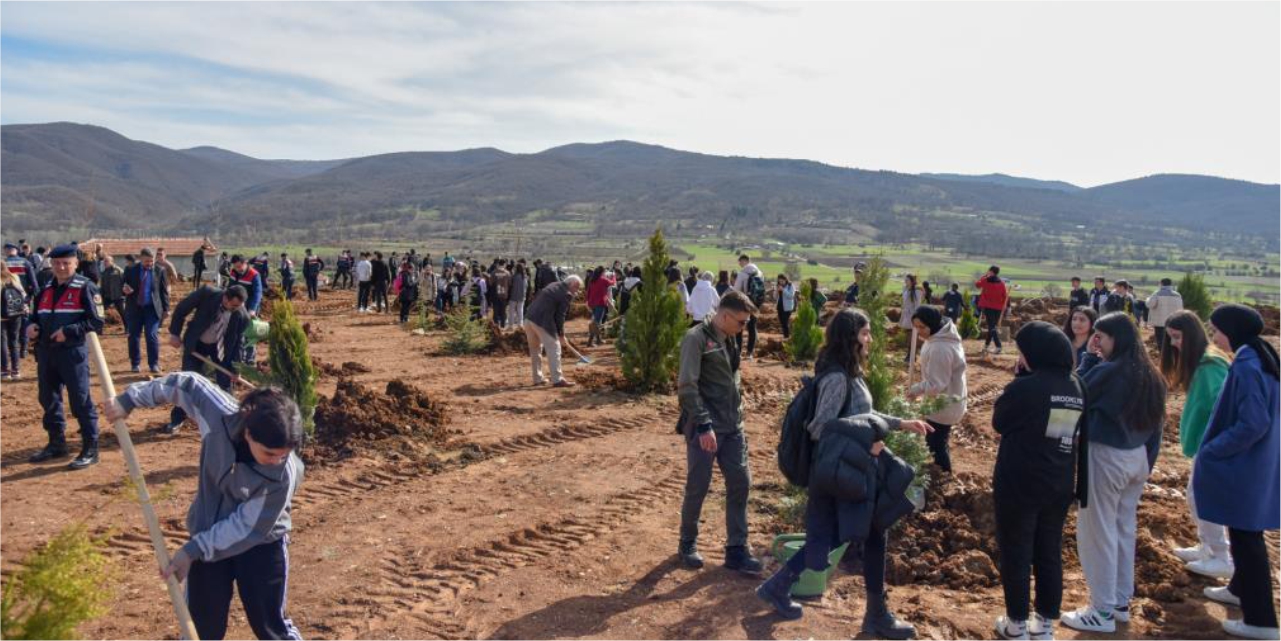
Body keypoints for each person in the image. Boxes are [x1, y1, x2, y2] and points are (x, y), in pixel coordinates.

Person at [754, 307, 932, 637]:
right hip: (841, 473)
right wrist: (866, 443)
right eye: (865, 333)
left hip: (852, 470)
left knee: (843, 534)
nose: (870, 339)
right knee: (863, 531)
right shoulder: (836, 378)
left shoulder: (850, 374)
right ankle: (875, 615)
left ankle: (781, 586)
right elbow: (821, 428)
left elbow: (861, 414)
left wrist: (901, 423)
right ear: (850, 339)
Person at [103, 374, 305, 640]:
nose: (276, 461)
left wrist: (192, 550)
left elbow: (246, 527)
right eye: (269, 453)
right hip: (208, 535)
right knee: (201, 628)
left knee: (270, 626)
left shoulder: (284, 473)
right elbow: (185, 384)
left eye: (283, 454)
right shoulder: (220, 415)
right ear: (248, 432)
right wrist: (129, 400)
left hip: (261, 545)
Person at [1063, 312, 1166, 633]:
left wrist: (1088, 361)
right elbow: (1158, 426)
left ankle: (1102, 610)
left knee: (1097, 532)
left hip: (1107, 456)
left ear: (1115, 339)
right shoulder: (1151, 374)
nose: (1098, 342)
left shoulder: (1110, 371)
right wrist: (1146, 463)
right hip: (1136, 457)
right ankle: (1120, 602)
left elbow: (1077, 391)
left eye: (1101, 337)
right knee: (1123, 529)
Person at [990, 321, 1089, 641]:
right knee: (1048, 550)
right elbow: (1058, 431)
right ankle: (1044, 624)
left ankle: (1016, 623)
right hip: (1059, 481)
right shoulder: (1075, 385)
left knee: (1017, 550)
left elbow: (1000, 421)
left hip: (1020, 482)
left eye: (1022, 352)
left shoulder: (1026, 387)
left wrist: (1020, 379)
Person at [1194, 304, 1280, 640]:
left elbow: (1253, 422)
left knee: (1246, 539)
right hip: (1257, 464)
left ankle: (1261, 621)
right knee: (1246, 533)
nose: (1213, 336)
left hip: (1245, 466)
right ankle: (1240, 589)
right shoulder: (1262, 358)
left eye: (1216, 330)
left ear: (1230, 332)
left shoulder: (1246, 365)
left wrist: (1212, 449)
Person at [677, 291, 766, 576]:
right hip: (707, 427)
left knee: (741, 481)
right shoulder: (696, 339)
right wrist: (703, 424)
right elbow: (687, 386)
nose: (745, 328)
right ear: (725, 316)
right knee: (698, 485)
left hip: (732, 426)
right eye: (741, 322)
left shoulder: (729, 339)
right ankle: (687, 542)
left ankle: (737, 550)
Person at [1157, 310, 1232, 578]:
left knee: (1201, 497)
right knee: (1196, 495)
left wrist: (1214, 445)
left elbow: (1218, 406)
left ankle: (1221, 555)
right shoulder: (1202, 363)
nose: (1174, 344)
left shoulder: (1210, 366)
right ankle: (1207, 548)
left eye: (1177, 338)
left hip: (1211, 445)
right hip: (1205, 443)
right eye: (1171, 338)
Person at [27, 245, 105, 469]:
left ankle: (91, 448)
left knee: (80, 401)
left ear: (75, 263)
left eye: (66, 263)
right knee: (48, 399)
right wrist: (30, 327)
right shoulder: (45, 289)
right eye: (57, 263)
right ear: (51, 264)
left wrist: (69, 331)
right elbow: (34, 317)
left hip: (72, 354)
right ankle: (56, 443)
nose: (61, 267)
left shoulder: (86, 288)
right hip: (45, 353)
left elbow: (97, 322)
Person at [163, 285, 250, 434]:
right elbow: (181, 309)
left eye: (240, 306)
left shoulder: (242, 315)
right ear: (225, 298)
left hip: (221, 349)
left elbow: (237, 343)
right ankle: (177, 418)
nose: (237, 309)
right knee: (188, 381)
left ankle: (229, 422)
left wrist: (236, 369)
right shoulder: (207, 294)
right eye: (234, 305)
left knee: (225, 384)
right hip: (197, 344)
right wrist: (175, 334)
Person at [907, 306, 967, 474]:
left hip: (943, 405)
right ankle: (941, 471)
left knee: (935, 443)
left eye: (922, 327)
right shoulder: (940, 336)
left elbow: (935, 385)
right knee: (938, 440)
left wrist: (915, 389)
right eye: (916, 327)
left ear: (932, 324)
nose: (919, 332)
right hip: (947, 400)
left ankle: (944, 474)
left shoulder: (940, 348)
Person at [523, 275, 583, 387]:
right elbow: (560, 316)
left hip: (529, 317)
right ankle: (557, 379)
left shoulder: (553, 284)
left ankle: (537, 378)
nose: (577, 291)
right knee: (554, 348)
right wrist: (561, 334)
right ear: (572, 284)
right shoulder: (566, 294)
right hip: (542, 321)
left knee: (535, 349)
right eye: (577, 287)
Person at [122, 248, 170, 374]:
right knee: (134, 336)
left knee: (151, 335)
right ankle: (135, 364)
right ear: (140, 258)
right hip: (135, 308)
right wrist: (124, 289)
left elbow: (163, 291)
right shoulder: (130, 270)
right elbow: (122, 284)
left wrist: (166, 309)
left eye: (151, 261)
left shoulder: (160, 270)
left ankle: (153, 364)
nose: (149, 263)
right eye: (147, 261)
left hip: (152, 309)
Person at [732, 255, 764, 360]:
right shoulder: (760, 273)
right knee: (752, 327)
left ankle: (739, 352)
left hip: (745, 303)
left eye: (740, 261)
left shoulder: (742, 274)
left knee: (740, 327)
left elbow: (736, 290)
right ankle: (750, 353)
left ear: (745, 261)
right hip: (756, 303)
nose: (739, 264)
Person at [1, 267, 29, 379]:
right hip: (16, 313)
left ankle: (4, 370)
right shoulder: (14, 277)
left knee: (2, 342)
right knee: (14, 341)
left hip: (1, 315)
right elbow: (23, 294)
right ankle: (16, 370)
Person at [975, 266, 1009, 355]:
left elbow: (977, 285)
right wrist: (1005, 306)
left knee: (991, 327)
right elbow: (1004, 296)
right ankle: (986, 347)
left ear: (990, 271)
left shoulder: (986, 280)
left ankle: (998, 346)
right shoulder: (1001, 283)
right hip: (998, 308)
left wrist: (984, 276)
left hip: (988, 307)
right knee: (992, 327)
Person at [1146, 278, 1183, 349]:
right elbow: (1180, 309)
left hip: (1159, 323)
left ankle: (1163, 357)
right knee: (1172, 341)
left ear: (1161, 284)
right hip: (1173, 322)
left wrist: (1148, 299)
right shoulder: (1177, 295)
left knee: (1161, 341)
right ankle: (1172, 357)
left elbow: (1150, 304)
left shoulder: (1156, 293)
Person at [585, 266, 616, 345]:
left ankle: (598, 340)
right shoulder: (603, 279)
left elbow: (588, 291)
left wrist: (587, 302)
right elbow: (613, 283)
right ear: (602, 272)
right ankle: (590, 341)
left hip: (592, 303)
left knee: (596, 321)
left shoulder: (592, 279)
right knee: (596, 323)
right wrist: (614, 276)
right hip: (600, 303)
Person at [98, 254, 125, 322]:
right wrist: (101, 294)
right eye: (104, 261)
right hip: (107, 296)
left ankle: (127, 328)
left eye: (107, 261)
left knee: (122, 312)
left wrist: (123, 293)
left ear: (112, 261)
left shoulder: (118, 271)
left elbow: (125, 282)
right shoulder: (104, 272)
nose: (105, 263)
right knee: (100, 312)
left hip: (117, 295)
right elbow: (102, 285)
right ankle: (99, 327)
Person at [491, 260, 512, 328]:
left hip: (495, 295)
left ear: (498, 264)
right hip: (504, 295)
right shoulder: (507, 273)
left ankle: (495, 327)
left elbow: (491, 283)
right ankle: (503, 326)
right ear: (504, 264)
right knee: (503, 312)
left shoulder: (494, 272)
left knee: (496, 312)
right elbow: (510, 284)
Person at [776, 274, 796, 339]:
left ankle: (786, 337)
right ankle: (786, 336)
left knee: (785, 322)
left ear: (785, 279)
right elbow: (774, 297)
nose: (781, 282)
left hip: (787, 308)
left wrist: (783, 290)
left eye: (782, 281)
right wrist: (776, 291)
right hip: (780, 307)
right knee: (782, 322)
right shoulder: (778, 286)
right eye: (779, 281)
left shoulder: (790, 286)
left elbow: (791, 296)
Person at [509, 263, 529, 327]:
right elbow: (526, 287)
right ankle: (520, 325)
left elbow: (510, 285)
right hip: (521, 296)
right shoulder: (525, 277)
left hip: (513, 296)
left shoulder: (514, 276)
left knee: (511, 311)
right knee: (520, 311)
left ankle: (511, 325)